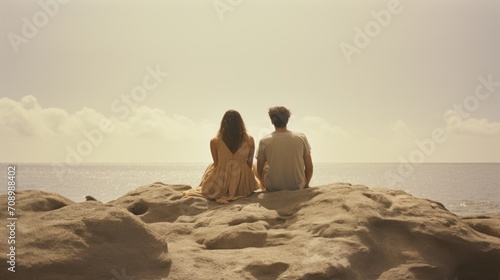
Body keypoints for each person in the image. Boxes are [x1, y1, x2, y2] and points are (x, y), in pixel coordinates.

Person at [183, 110, 257, 203]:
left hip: (221, 180)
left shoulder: (215, 141)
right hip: (242, 184)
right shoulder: (250, 140)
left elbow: (216, 163)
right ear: (241, 124)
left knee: (211, 167)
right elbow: (249, 163)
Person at [255, 106, 313, 192]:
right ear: (287, 120)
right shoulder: (301, 137)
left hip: (273, 187)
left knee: (256, 164)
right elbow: (309, 168)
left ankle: (264, 187)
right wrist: (305, 184)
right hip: (298, 186)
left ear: (272, 121)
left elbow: (259, 170)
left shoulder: (264, 141)